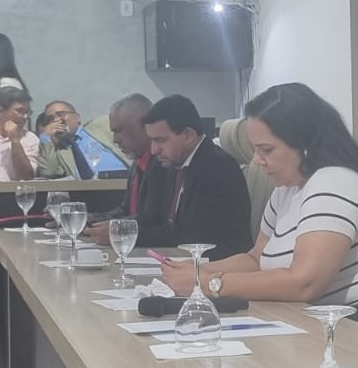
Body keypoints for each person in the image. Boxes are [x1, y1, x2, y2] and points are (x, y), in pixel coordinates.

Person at [162, 83, 358, 320]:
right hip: (334, 321)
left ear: (305, 144)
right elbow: (256, 259)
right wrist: (198, 269)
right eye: (255, 149)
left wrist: (207, 284)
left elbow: (304, 284)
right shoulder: (288, 189)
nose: (257, 160)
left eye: (266, 150)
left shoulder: (335, 182)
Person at [131, 94, 251, 260]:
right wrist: (122, 228)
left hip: (218, 264)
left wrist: (131, 234)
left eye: (160, 140)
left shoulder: (217, 168)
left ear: (188, 135)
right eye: (152, 141)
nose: (154, 150)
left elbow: (191, 237)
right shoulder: (176, 164)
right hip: (183, 258)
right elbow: (156, 220)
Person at [83, 93, 170, 239]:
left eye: (119, 130)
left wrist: (116, 230)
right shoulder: (138, 162)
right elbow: (126, 211)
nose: (115, 140)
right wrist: (88, 219)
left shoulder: (164, 164)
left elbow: (152, 221)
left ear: (145, 126)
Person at [34, 99, 128, 180]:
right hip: (89, 191)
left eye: (61, 114)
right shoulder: (59, 153)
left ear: (77, 118)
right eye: (50, 119)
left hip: (125, 182)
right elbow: (49, 172)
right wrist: (45, 136)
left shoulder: (101, 125)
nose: (56, 120)